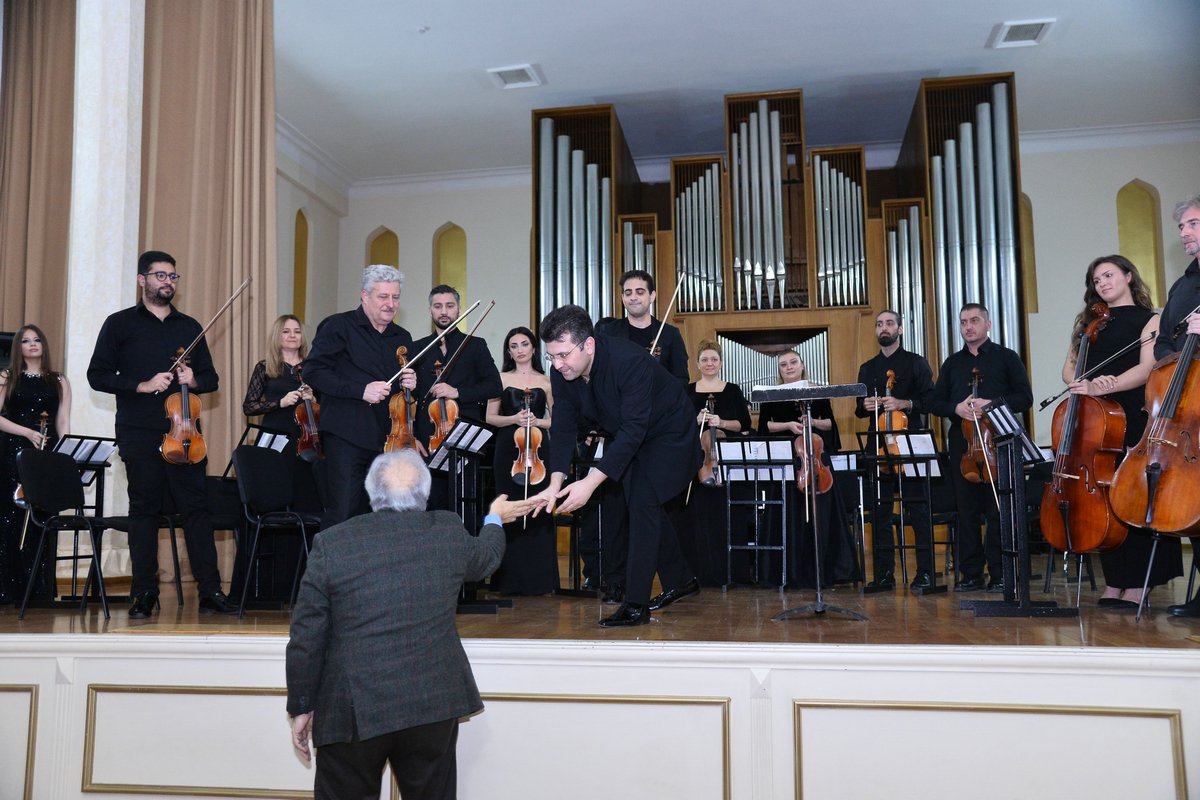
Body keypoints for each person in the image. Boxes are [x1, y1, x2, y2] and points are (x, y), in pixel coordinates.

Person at [286, 449, 534, 799]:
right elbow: (487, 558)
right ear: (425, 494)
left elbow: (306, 637)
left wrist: (301, 705)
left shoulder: (333, 543)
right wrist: (494, 517)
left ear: (371, 493)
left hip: (352, 710)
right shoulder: (447, 530)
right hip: (431, 703)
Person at [87, 250, 238, 618]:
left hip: (185, 435)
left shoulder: (189, 327)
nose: (167, 281)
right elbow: (97, 375)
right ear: (142, 280)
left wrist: (194, 379)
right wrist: (141, 385)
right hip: (139, 432)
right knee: (144, 510)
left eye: (172, 276)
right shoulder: (119, 324)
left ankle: (210, 591)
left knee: (197, 510)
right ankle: (144, 592)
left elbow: (211, 379)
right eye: (160, 275)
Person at [529, 305, 700, 627]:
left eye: (564, 355)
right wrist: (554, 484)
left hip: (669, 432)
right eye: (552, 356)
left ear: (588, 344)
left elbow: (635, 429)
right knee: (643, 504)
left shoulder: (628, 361)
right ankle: (680, 579)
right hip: (629, 434)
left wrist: (589, 483)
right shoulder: (562, 371)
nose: (558, 364)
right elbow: (563, 426)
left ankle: (635, 605)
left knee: (643, 502)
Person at [1058, 256, 1178, 609]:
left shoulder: (1149, 320)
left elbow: (1146, 368)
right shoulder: (1089, 323)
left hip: (1132, 414)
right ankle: (1116, 580)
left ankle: (1141, 582)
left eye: (1109, 275)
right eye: (1096, 280)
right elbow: (1069, 368)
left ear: (1128, 276)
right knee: (1104, 498)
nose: (1103, 283)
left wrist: (1102, 386)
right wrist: (1081, 384)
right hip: (1096, 419)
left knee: (1135, 495)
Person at [929, 302, 1033, 593]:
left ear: (988, 324)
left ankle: (1000, 573)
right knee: (967, 513)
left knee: (998, 512)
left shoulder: (1007, 358)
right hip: (963, 449)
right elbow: (934, 402)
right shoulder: (952, 363)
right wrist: (956, 408)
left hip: (997, 445)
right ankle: (971, 574)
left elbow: (1025, 398)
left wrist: (992, 404)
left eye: (974, 320)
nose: (968, 327)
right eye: (963, 322)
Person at [302, 265, 416, 530]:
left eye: (395, 297)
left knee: (385, 520)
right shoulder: (338, 326)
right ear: (365, 296)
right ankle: (328, 560)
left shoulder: (402, 337)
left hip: (388, 441)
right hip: (346, 436)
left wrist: (411, 384)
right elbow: (313, 371)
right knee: (343, 513)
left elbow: (404, 396)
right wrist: (360, 390)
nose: (390, 304)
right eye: (383, 296)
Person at [756, 351, 858, 588]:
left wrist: (811, 422)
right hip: (788, 462)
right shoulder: (772, 394)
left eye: (793, 362)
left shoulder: (816, 391)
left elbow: (830, 424)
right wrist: (789, 425)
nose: (789, 367)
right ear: (779, 370)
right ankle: (789, 573)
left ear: (802, 365)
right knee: (788, 516)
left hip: (816, 462)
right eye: (783, 365)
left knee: (820, 515)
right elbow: (764, 426)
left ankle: (823, 571)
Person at [241, 314, 325, 601]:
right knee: (274, 509)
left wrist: (314, 398)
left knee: (305, 509)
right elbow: (250, 406)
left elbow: (327, 407)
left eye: (297, 331)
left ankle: (301, 586)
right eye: (286, 331)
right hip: (275, 448)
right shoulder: (266, 368)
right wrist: (280, 402)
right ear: (277, 336)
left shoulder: (312, 369)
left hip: (306, 448)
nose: (292, 336)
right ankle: (267, 588)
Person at [854, 309, 936, 591]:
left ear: (900, 329)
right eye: (879, 324)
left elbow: (931, 401)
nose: (884, 328)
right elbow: (858, 409)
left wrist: (904, 404)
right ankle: (884, 574)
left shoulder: (916, 363)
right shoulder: (867, 368)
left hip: (909, 444)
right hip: (878, 446)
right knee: (880, 512)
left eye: (889, 323)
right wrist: (865, 405)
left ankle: (925, 573)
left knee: (918, 509)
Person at [411, 285, 502, 511]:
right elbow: (408, 398)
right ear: (430, 310)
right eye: (437, 306)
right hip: (427, 440)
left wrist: (458, 392)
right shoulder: (419, 348)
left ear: (459, 309)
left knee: (463, 506)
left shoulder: (475, 345)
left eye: (449, 306)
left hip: (464, 439)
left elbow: (494, 386)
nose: (444, 311)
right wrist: (411, 437)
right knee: (429, 506)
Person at [0, 324, 71, 604]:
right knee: (11, 518)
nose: (32, 344)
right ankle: (9, 590)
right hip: (13, 452)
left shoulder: (59, 380)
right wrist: (27, 432)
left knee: (42, 517)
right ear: (18, 347)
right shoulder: (7, 377)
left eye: (37, 340)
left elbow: (62, 421)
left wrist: (65, 453)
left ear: (43, 345)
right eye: (26, 341)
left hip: (46, 454)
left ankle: (39, 590)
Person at [1153, 194, 1200, 618]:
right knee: (1193, 504)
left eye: (1193, 224)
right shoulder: (1183, 287)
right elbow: (1164, 342)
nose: (1184, 233)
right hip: (1188, 409)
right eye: (1182, 226)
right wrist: (1176, 354)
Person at [484, 326, 558, 595]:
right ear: (508, 351)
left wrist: (538, 422)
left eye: (524, 344)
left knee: (538, 506)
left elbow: (558, 420)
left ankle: (540, 580)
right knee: (510, 506)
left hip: (538, 450)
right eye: (513, 346)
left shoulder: (547, 380)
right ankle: (509, 580)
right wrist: (514, 419)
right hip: (508, 449)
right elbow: (490, 417)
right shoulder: (499, 378)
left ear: (533, 348)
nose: (520, 350)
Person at [680, 340, 751, 586]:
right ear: (697, 364)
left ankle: (732, 572)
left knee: (729, 518)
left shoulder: (733, 390)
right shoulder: (688, 391)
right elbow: (677, 425)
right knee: (697, 519)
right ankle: (699, 574)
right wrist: (695, 420)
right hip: (697, 465)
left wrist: (721, 422)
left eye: (714, 359)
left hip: (727, 464)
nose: (709, 363)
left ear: (721, 363)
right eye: (705, 360)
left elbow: (744, 425)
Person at [609, 269, 689, 383]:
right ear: (623, 298)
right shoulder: (608, 333)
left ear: (652, 296)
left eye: (640, 292)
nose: (633, 297)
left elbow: (681, 380)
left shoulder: (670, 335)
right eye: (628, 293)